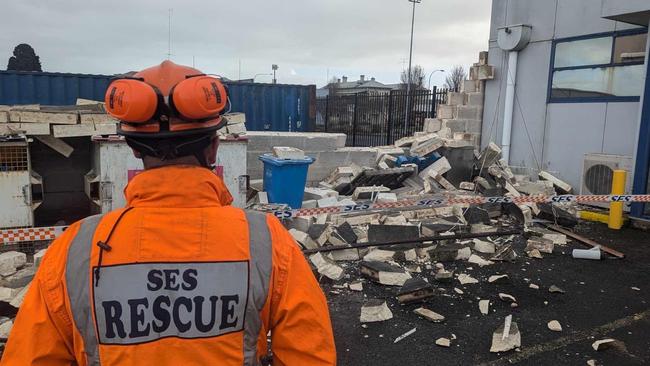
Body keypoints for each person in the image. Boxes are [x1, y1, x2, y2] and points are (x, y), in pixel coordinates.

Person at [1, 61, 336, 366]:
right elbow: (311, 356)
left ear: (132, 148)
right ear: (214, 146)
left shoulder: (73, 251)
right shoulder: (266, 242)